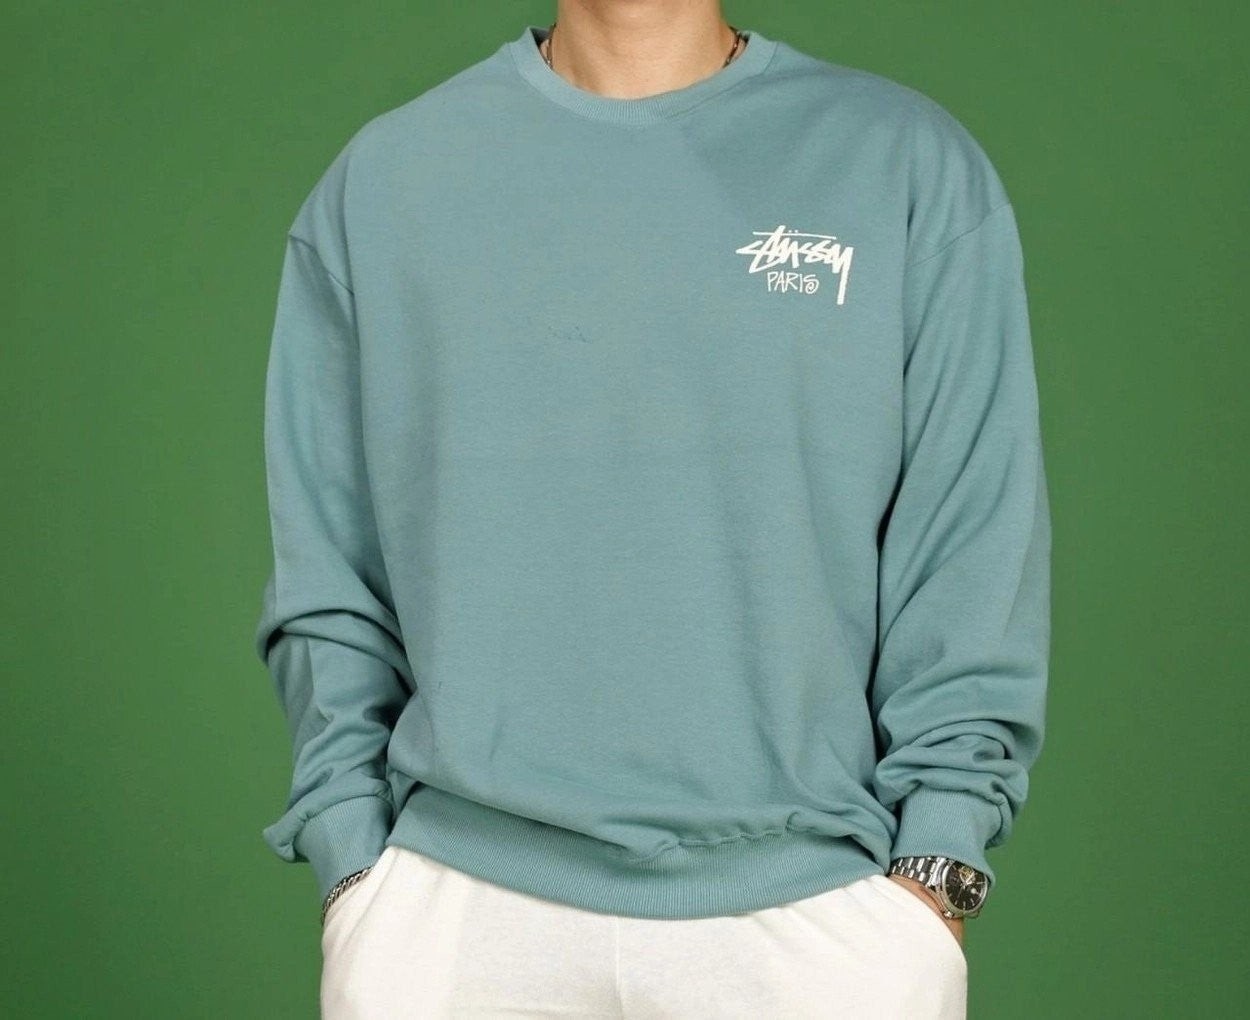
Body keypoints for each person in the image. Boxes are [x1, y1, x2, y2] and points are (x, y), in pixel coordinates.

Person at [253, 2, 1051, 1017]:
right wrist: (352, 867)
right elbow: (327, 568)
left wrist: (936, 867)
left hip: (820, 918)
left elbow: (972, 542)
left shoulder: (904, 167)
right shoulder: (387, 180)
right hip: (454, 914)